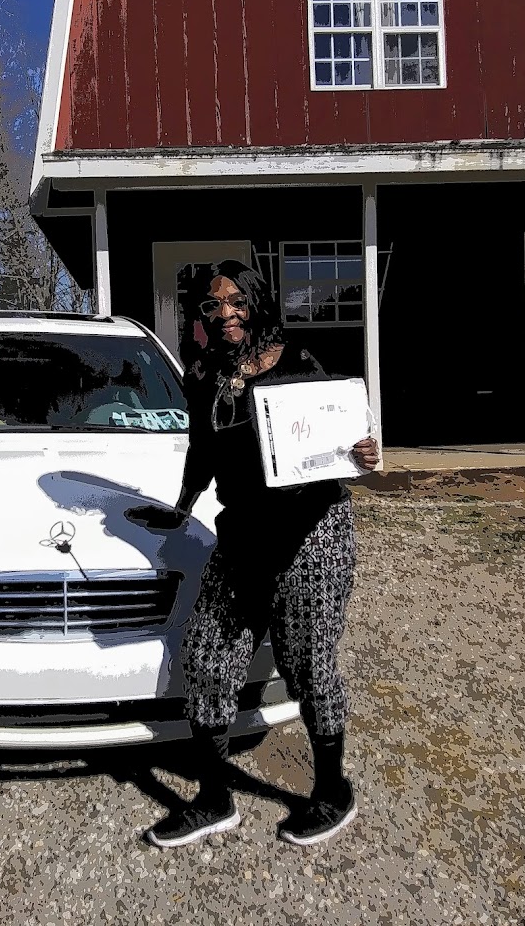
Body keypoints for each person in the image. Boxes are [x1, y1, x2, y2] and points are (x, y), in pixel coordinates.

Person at [126, 259, 378, 850]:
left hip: (311, 534)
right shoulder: (205, 373)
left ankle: (333, 790)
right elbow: (200, 452)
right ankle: (214, 799)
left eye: (236, 301)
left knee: (307, 664)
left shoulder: (299, 362)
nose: (225, 314)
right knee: (207, 657)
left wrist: (360, 454)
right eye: (212, 306)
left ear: (257, 303)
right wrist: (182, 507)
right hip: (242, 537)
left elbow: (341, 437)